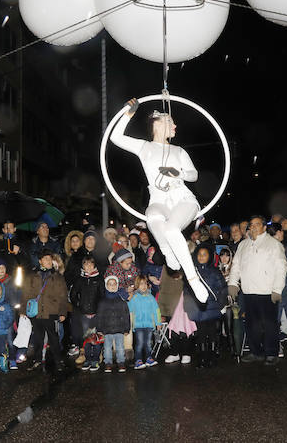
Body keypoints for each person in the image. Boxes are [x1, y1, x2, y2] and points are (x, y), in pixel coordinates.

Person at [110, 98, 209, 302]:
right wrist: (127, 114)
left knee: (172, 229)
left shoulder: (179, 150)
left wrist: (178, 173)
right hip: (159, 198)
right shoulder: (144, 147)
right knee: (152, 216)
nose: (175, 126)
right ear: (158, 122)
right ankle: (167, 251)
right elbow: (115, 137)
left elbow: (194, 175)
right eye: (171, 121)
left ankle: (193, 278)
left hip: (182, 198)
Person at [228, 215, 287, 365]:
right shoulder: (243, 245)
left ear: (264, 227)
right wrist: (233, 283)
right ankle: (256, 352)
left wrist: (277, 289)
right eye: (251, 225)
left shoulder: (273, 244)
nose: (253, 227)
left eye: (257, 224)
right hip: (248, 291)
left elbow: (281, 268)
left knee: (269, 324)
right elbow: (236, 266)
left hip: (267, 291)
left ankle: (271, 352)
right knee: (251, 323)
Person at [22, 249, 67, 372]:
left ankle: (58, 360)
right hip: (36, 312)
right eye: (46, 259)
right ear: (40, 261)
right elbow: (26, 293)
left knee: (53, 338)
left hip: (51, 311)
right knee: (38, 338)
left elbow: (63, 295)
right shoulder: (33, 275)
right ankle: (37, 360)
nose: (49, 261)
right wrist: (23, 309)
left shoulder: (57, 276)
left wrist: (63, 311)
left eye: (50, 259)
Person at [185, 245, 227, 367]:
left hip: (213, 308)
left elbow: (222, 289)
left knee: (213, 333)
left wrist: (220, 304)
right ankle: (203, 357)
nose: (201, 257)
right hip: (199, 308)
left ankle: (212, 357)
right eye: (199, 254)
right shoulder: (192, 272)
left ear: (209, 256)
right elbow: (187, 290)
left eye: (204, 254)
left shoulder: (215, 271)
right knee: (201, 334)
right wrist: (188, 307)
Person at [70, 256, 102, 367]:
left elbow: (102, 296)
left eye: (90, 264)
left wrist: (99, 309)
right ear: (82, 266)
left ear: (94, 265)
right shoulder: (80, 279)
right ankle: (87, 356)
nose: (88, 266)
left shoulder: (98, 279)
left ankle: (97, 355)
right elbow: (73, 294)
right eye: (85, 264)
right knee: (86, 335)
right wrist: (78, 305)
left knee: (96, 335)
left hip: (96, 312)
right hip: (84, 313)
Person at [97, 275, 130, 373]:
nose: (112, 286)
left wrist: (126, 328)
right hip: (107, 329)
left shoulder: (122, 301)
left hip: (119, 328)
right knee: (107, 347)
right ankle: (108, 363)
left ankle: (121, 362)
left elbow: (126, 315)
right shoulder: (103, 302)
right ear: (106, 286)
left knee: (120, 346)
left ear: (117, 285)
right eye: (110, 284)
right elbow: (99, 316)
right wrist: (99, 329)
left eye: (114, 284)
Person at [128, 275, 161, 369]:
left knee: (148, 343)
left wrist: (158, 323)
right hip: (138, 325)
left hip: (149, 324)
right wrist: (128, 299)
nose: (143, 286)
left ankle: (148, 358)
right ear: (137, 286)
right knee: (139, 343)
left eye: (145, 283)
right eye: (141, 284)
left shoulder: (151, 297)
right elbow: (129, 308)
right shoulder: (134, 298)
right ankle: (138, 360)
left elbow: (156, 310)